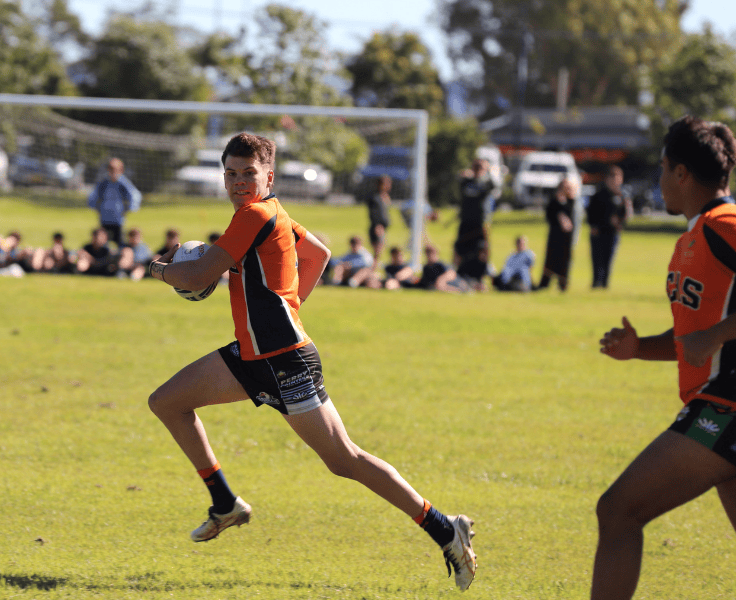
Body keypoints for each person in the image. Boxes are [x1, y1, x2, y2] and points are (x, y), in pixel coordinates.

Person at [146, 132, 477, 591]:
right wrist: (289, 306)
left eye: (248, 173)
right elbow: (318, 253)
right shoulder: (267, 212)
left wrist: (159, 269)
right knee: (167, 402)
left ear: (269, 176)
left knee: (345, 460)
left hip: (286, 362)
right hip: (253, 356)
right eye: (231, 173)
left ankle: (445, 528)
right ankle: (224, 503)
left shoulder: (257, 214)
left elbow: (201, 274)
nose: (239, 182)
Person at [592, 116, 736, 600]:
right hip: (716, 401)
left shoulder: (725, 225)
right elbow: (690, 336)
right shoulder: (694, 237)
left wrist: (715, 335)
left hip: (726, 404)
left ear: (680, 174)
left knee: (618, 511)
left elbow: (708, 337)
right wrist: (640, 350)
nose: (656, 180)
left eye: (660, 169)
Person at [586, 165, 632, 288]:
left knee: (608, 259)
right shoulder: (599, 194)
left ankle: (605, 284)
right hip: (598, 231)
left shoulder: (622, 196)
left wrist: (620, 222)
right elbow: (591, 212)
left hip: (612, 233)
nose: (614, 180)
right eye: (612, 177)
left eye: (617, 177)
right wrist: (593, 225)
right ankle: (596, 282)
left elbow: (626, 215)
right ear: (607, 179)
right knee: (597, 258)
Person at [87, 157, 142, 248]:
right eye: (111, 169)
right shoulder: (104, 183)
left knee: (119, 241)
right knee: (103, 242)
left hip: (118, 218)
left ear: (121, 170)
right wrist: (95, 207)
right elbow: (94, 195)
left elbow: (134, 195)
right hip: (104, 217)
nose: (113, 172)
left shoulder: (123, 183)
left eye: (116, 170)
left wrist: (130, 208)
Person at [453, 158, 495, 268]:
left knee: (482, 248)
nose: (477, 170)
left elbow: (493, 184)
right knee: (459, 247)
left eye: (480, 167)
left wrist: (487, 171)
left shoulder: (485, 183)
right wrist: (467, 174)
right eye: (475, 167)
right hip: (466, 220)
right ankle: (457, 272)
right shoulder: (467, 182)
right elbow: (459, 177)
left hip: (480, 222)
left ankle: (481, 273)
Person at [536, 179, 577, 291]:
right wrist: (559, 204)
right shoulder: (553, 201)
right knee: (551, 259)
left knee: (565, 260)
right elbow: (549, 216)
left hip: (566, 237)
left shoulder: (572, 201)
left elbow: (571, 218)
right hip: (555, 236)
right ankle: (545, 283)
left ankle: (562, 284)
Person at [366, 174, 392, 264]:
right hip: (377, 226)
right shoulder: (375, 198)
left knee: (379, 250)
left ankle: (373, 267)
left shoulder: (384, 197)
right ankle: (372, 268)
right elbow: (374, 213)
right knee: (377, 251)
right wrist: (377, 225)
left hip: (382, 227)